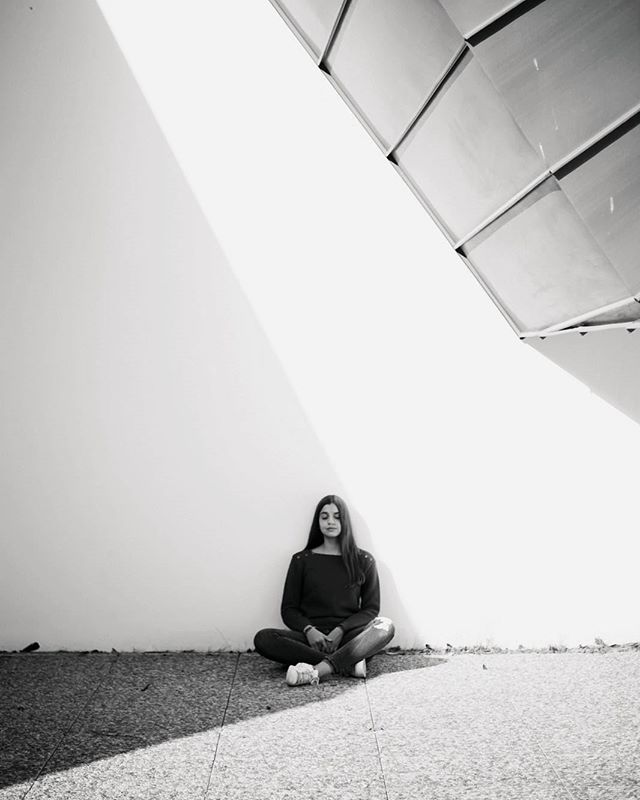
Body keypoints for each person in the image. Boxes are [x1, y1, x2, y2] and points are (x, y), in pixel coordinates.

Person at [253, 494, 395, 686]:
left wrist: (340, 630)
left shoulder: (364, 560)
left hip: (348, 638)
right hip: (310, 639)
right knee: (264, 638)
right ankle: (347, 664)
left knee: (385, 626)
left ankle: (318, 670)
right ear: (317, 521)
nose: (331, 521)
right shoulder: (301, 560)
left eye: (337, 516)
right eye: (324, 516)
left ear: (345, 521)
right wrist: (310, 631)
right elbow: (289, 609)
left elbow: (370, 609)